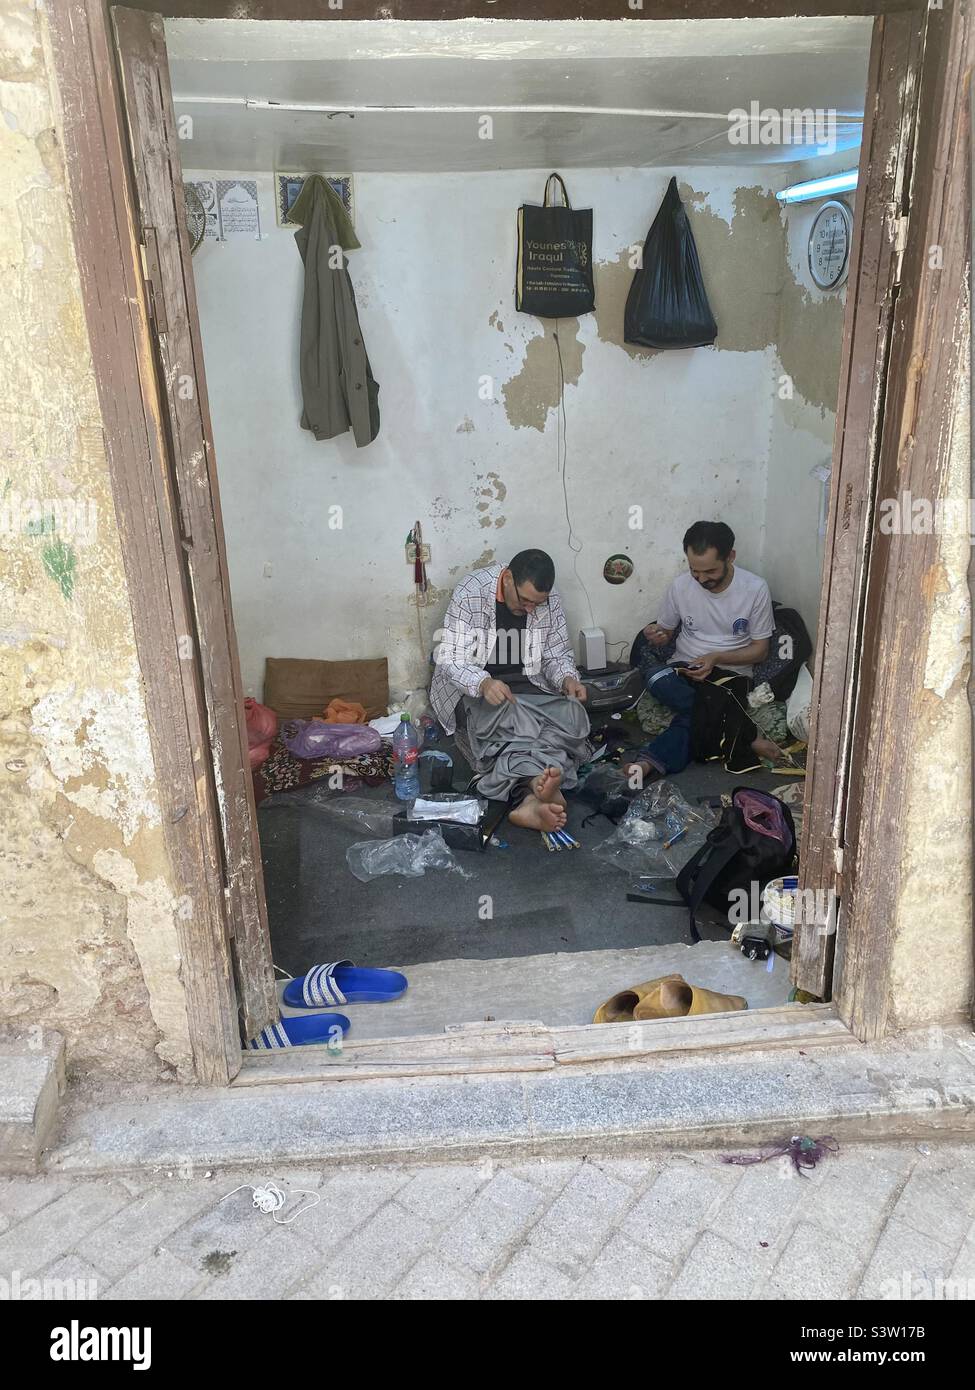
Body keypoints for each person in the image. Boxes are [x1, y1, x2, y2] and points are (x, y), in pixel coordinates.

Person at [431, 550, 589, 831]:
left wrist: (567, 679)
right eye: (525, 600)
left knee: (563, 726)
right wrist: (482, 682)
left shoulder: (548, 600)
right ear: (508, 578)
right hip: (476, 687)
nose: (530, 609)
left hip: (529, 683)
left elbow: (556, 654)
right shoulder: (471, 591)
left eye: (536, 604)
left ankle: (531, 800)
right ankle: (537, 788)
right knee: (508, 731)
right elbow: (452, 658)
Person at [624, 521, 781, 781]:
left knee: (697, 711)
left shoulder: (755, 589)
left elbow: (761, 651)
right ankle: (744, 734)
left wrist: (716, 657)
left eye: (710, 571)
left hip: (728, 677)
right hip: (681, 670)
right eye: (694, 570)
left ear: (730, 556)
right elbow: (666, 633)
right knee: (654, 677)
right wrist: (658, 635)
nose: (701, 579)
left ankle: (649, 763)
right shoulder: (681, 586)